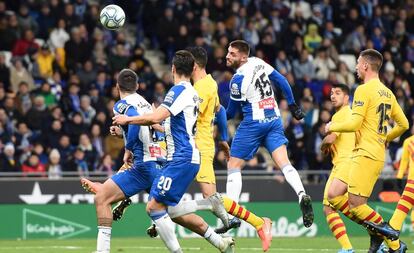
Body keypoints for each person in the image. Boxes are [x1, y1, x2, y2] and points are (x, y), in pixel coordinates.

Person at [112, 51, 234, 253]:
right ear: (193, 69)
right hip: (183, 157)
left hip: (182, 157)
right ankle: (218, 235)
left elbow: (156, 118)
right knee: (168, 209)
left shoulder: (178, 91)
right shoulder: (192, 93)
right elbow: (165, 125)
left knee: (153, 207)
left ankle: (208, 204)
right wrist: (125, 130)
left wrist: (128, 120)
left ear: (173, 69)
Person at [325, 49, 409, 253]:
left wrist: (332, 127)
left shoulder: (363, 90)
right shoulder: (387, 92)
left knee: (356, 204)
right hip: (369, 152)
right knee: (334, 194)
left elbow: (354, 123)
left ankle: (394, 243)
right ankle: (377, 233)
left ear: (365, 66)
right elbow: (404, 124)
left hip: (366, 153)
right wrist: (386, 137)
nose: (355, 67)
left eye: (357, 63)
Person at [224, 40, 314, 228]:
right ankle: (301, 194)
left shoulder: (237, 80)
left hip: (253, 123)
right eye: (228, 52)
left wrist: (214, 116)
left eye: (232, 54)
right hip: (273, 119)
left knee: (233, 164)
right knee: (284, 163)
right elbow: (281, 79)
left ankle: (231, 214)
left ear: (242, 57)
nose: (227, 56)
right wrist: (292, 104)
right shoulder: (257, 61)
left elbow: (231, 113)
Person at [321, 84, 357, 253]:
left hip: (347, 162)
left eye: (338, 93)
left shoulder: (343, 115)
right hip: (339, 164)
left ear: (346, 98)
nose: (333, 96)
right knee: (328, 207)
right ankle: (347, 248)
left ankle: (377, 229)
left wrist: (324, 143)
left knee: (334, 198)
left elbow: (329, 140)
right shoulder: (342, 115)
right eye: (331, 93)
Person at [365, 126, 414, 251]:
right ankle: (393, 227)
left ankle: (393, 227)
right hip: (411, 179)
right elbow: (404, 162)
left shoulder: (409, 141)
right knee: (407, 202)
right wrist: (399, 176)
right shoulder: (409, 141)